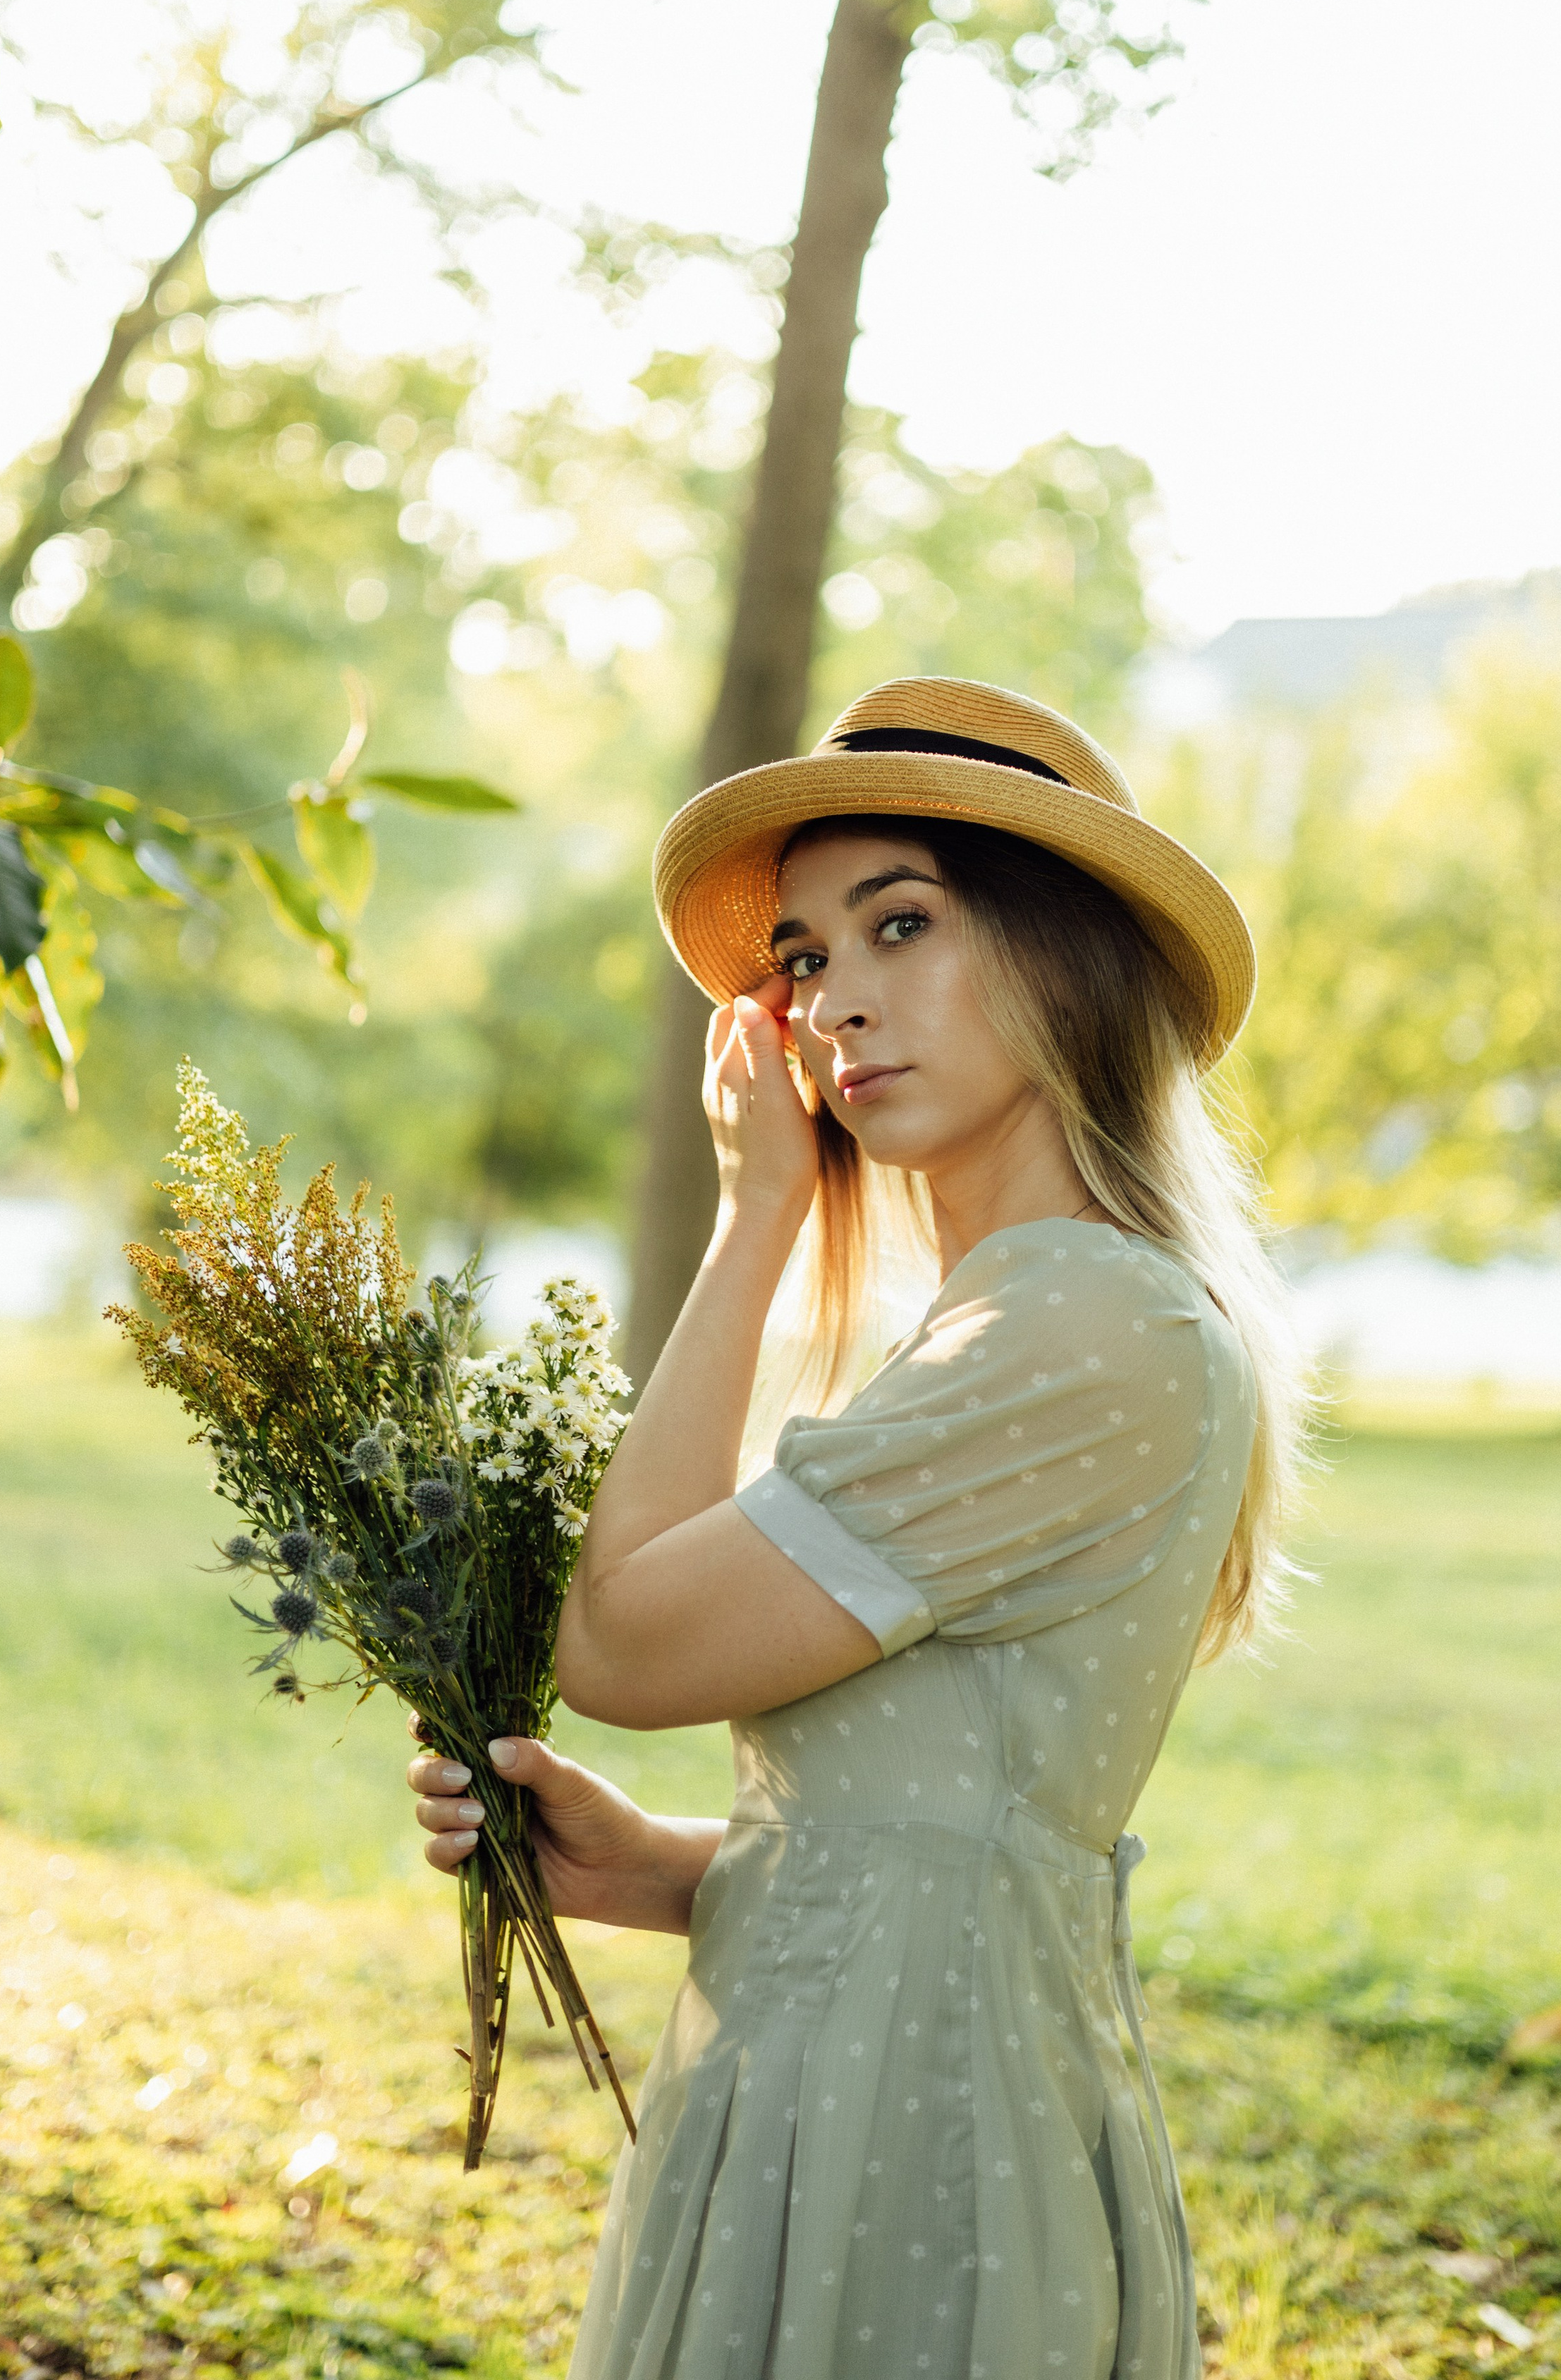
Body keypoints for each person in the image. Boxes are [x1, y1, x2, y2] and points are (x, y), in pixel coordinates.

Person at [408, 676, 1304, 2380]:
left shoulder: (1074, 1324)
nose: (832, 1004)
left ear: (1067, 963)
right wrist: (682, 1868)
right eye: (807, 958)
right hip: (840, 2084)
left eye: (901, 923)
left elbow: (616, 1645)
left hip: (918, 2135)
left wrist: (754, 1218)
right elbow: (960, 1822)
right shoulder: (1003, 1320)